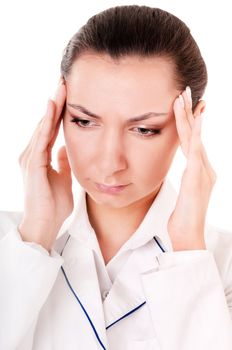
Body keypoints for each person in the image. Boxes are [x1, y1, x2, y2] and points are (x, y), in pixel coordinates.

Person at [0, 4, 232, 349]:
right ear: (60, 111)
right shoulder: (12, 244)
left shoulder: (221, 264)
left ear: (193, 123)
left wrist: (186, 253)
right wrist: (36, 237)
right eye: (84, 121)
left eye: (143, 129)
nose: (110, 162)